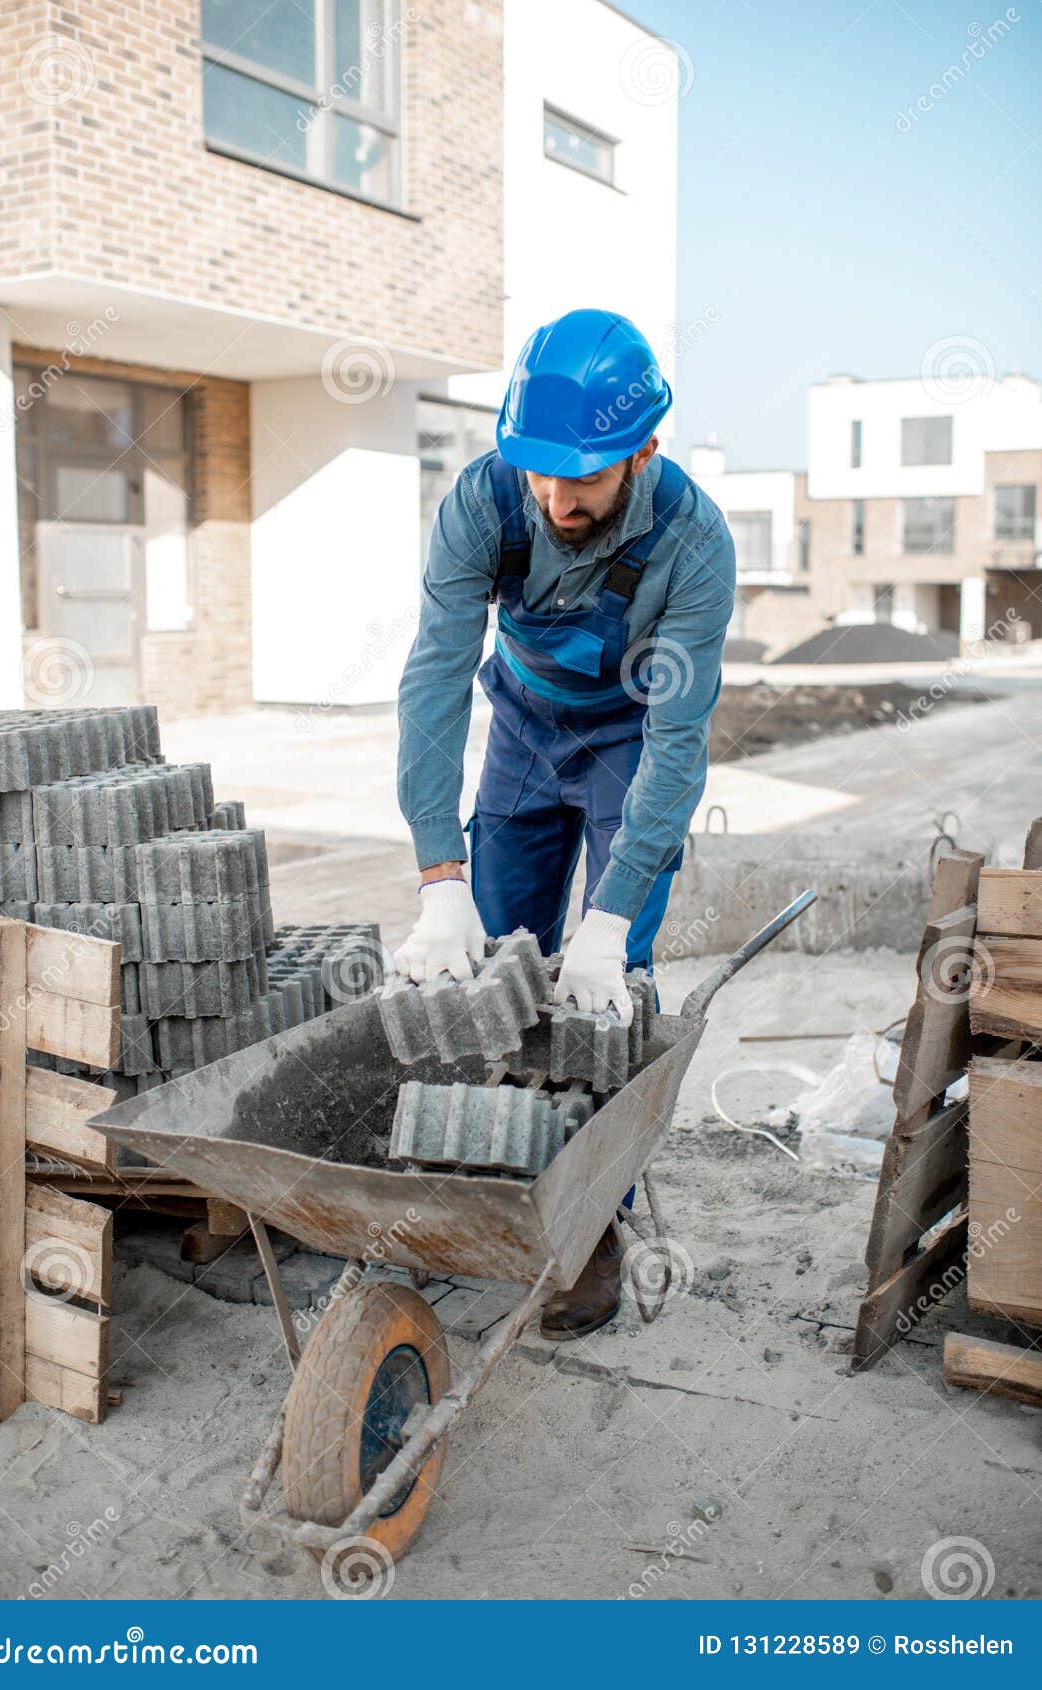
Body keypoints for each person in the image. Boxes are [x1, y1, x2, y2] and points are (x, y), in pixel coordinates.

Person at [395, 308, 736, 1337]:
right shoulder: (482, 502)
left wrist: (614, 910)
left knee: (599, 989)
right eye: (538, 470)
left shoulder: (694, 544)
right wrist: (436, 872)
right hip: (522, 730)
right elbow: (435, 678)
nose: (554, 497)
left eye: (580, 475)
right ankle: (496, 1182)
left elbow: (678, 747)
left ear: (644, 449)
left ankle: (592, 1225)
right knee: (496, 963)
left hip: (627, 741)